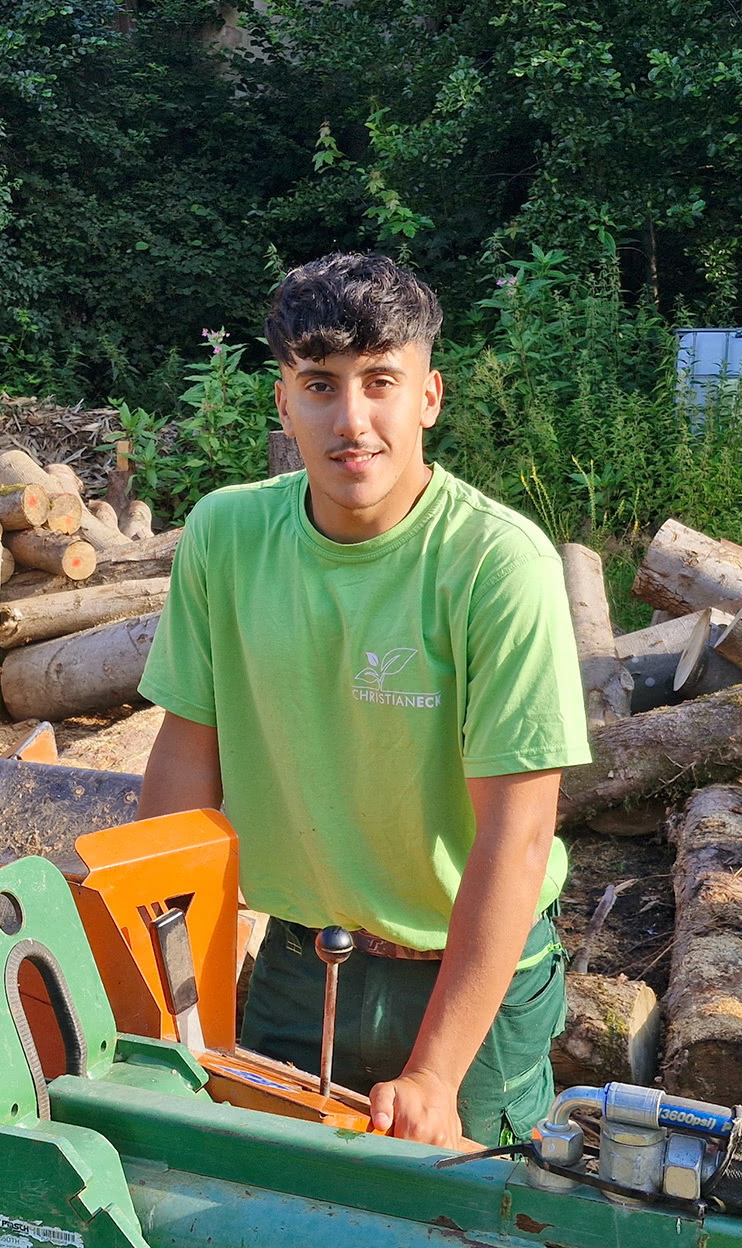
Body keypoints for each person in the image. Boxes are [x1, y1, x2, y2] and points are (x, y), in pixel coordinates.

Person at [136, 251, 591, 1150]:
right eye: (321, 385)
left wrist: (435, 1070)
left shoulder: (498, 565)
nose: (353, 420)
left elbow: (519, 833)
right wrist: (164, 977)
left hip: (473, 980)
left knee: (464, 1215)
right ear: (283, 401)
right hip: (301, 964)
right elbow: (186, 758)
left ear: (428, 395)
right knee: (255, 1195)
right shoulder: (226, 536)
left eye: (382, 382)